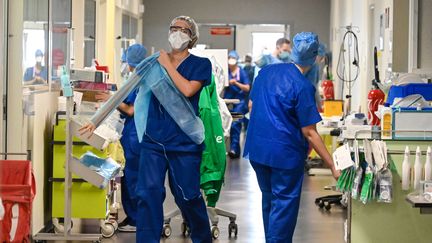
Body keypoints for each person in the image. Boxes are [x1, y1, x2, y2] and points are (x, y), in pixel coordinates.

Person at [244, 32, 340, 243]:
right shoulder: (303, 86)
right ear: (315, 58)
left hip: (258, 151)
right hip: (283, 156)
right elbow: (310, 132)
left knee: (269, 200)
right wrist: (332, 165)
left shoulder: (267, 71)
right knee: (284, 204)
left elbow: (252, 105)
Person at [95, 43, 147, 232]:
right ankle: (133, 217)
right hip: (131, 134)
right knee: (128, 178)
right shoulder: (134, 79)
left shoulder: (141, 80)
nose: (126, 66)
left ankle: (137, 220)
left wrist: (111, 99)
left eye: (128, 62)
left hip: (137, 136)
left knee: (134, 179)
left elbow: (132, 110)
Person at [224, 50, 250, 159]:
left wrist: (236, 83)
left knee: (235, 124)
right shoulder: (225, 72)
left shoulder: (241, 72)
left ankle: (234, 149)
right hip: (226, 102)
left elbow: (247, 87)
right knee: (224, 125)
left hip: (239, 103)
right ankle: (224, 149)